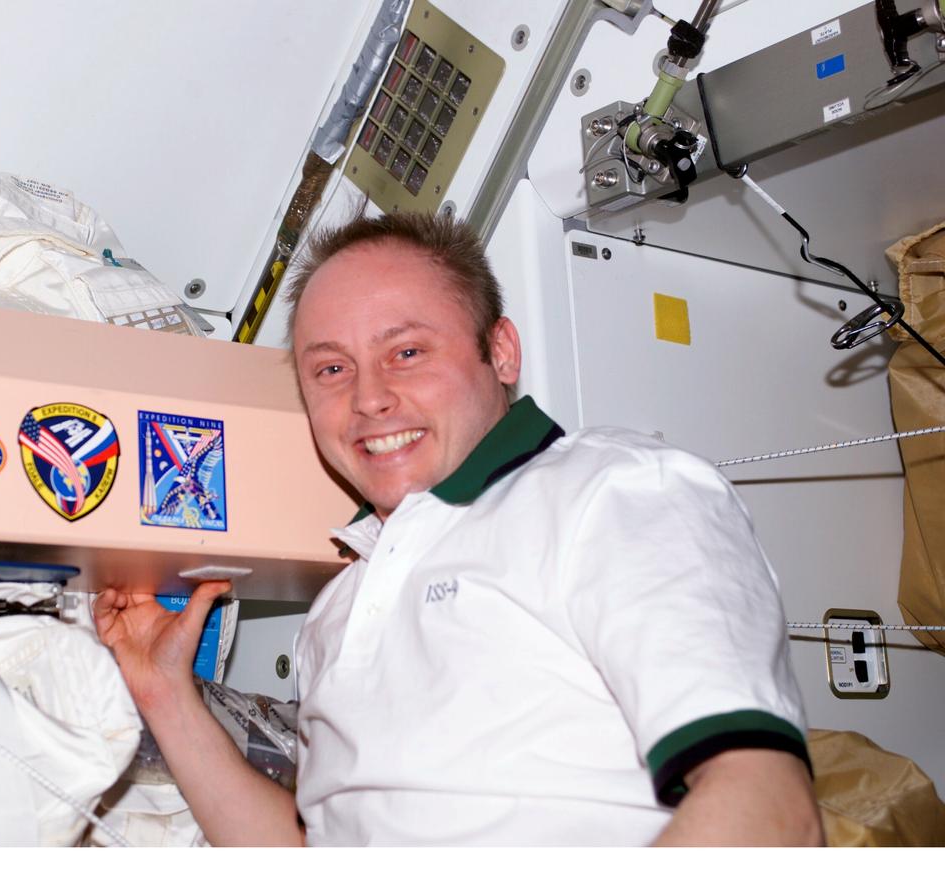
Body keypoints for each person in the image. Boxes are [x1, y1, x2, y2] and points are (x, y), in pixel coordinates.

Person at [93, 212, 824, 846]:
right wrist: (165, 693)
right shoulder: (335, 613)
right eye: (331, 369)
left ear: (500, 351)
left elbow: (767, 804)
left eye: (406, 352)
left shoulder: (617, 493)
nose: (370, 398)